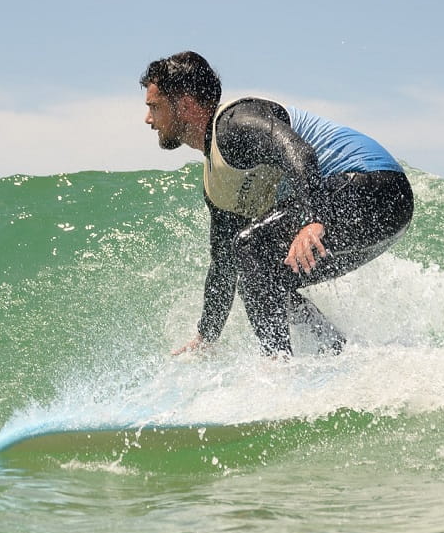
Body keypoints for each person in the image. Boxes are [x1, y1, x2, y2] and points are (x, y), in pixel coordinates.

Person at [140, 50, 414, 357]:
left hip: (377, 188)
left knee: (250, 246)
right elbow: (223, 264)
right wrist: (207, 336)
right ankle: (339, 351)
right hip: (372, 217)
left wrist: (312, 220)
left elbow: (300, 152)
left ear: (186, 104)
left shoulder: (236, 123)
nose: (149, 119)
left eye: (155, 106)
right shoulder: (216, 181)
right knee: (257, 272)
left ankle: (277, 366)